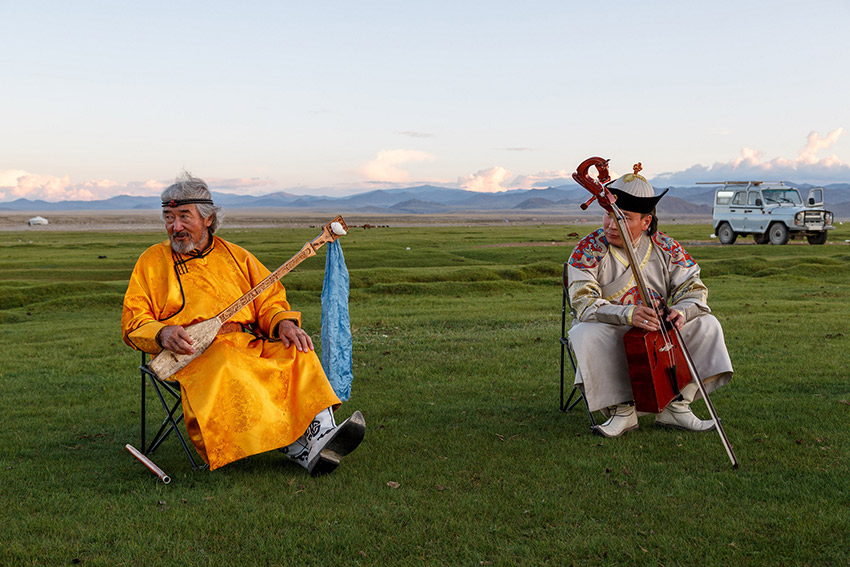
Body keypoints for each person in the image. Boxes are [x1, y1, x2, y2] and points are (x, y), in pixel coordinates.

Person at [122, 172, 365, 473]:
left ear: (208, 219)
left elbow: (269, 299)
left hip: (247, 342)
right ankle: (297, 446)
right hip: (191, 355)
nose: (176, 226)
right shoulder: (151, 261)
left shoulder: (238, 257)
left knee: (297, 350)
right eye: (169, 217)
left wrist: (283, 325)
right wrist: (162, 333)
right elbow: (135, 318)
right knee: (229, 364)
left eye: (184, 216)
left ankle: (320, 434)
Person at [567, 164, 733, 437]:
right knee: (585, 333)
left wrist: (681, 312)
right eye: (608, 214)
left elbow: (694, 287)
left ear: (645, 222)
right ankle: (623, 411)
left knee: (707, 324)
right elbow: (583, 302)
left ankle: (678, 405)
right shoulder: (588, 250)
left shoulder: (666, 247)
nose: (610, 224)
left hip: (659, 328)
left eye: (623, 218)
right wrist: (627, 314)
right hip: (609, 325)